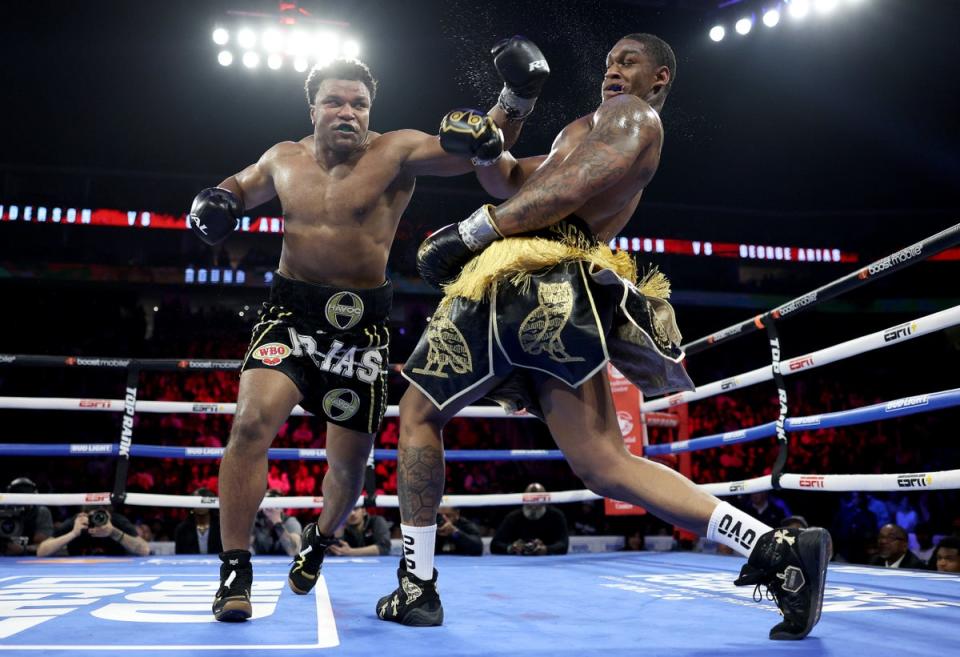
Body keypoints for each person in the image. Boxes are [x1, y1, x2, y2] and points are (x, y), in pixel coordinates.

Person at [377, 33, 831, 641]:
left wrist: (473, 231)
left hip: (523, 276)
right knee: (604, 464)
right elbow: (516, 183)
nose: (613, 69)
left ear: (660, 79)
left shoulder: (633, 116)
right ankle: (776, 548)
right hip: (563, 290)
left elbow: (568, 191)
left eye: (629, 61)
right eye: (610, 60)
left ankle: (417, 586)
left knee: (418, 413)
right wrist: (500, 127)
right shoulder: (583, 126)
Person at [191, 39, 549, 622]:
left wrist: (515, 98)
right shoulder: (283, 156)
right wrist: (216, 200)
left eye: (358, 102)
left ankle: (321, 540)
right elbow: (237, 186)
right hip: (290, 314)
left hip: (361, 330)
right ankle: (235, 571)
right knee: (251, 422)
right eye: (334, 102)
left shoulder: (398, 150)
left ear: (370, 108)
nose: (347, 112)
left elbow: (481, 149)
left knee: (349, 472)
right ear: (313, 109)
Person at [37, 506, 150, 557]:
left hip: (116, 572)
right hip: (78, 574)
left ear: (108, 514)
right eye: (93, 516)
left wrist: (114, 532)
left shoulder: (117, 521)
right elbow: (41, 551)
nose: (97, 519)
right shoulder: (78, 522)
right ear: (85, 514)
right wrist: (73, 533)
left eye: (101, 515)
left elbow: (144, 549)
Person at [490, 484, 569, 556]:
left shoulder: (556, 516)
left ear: (544, 500)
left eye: (537, 499)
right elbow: (495, 545)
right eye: (530, 499)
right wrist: (511, 548)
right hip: (518, 562)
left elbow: (563, 545)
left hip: (549, 562)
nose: (533, 504)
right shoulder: (513, 517)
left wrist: (547, 549)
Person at [0, 477, 53, 557]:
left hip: (32, 558)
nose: (22, 506)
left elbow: (46, 545)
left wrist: (24, 548)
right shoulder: (2, 512)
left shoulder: (41, 512)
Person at [250, 489, 302, 556]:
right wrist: (251, 516)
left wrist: (277, 522)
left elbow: (293, 551)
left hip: (285, 565)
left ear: (281, 508)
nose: (270, 508)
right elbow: (243, 548)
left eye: (275, 505)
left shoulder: (290, 522)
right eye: (267, 503)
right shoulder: (256, 521)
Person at [174, 488, 223, 555]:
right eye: (197, 501)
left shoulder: (221, 527)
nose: (201, 505)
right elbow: (179, 555)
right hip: (190, 564)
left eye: (203, 500)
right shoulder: (182, 529)